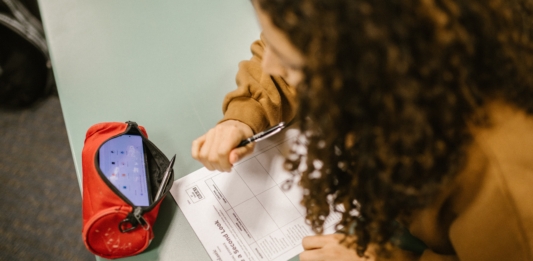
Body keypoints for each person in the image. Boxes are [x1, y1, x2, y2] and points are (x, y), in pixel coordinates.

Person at [192, 0, 533, 260]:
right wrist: (243, 114)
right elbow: (286, 41)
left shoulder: (505, 190)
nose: (270, 66)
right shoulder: (367, 35)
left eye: (292, 62)